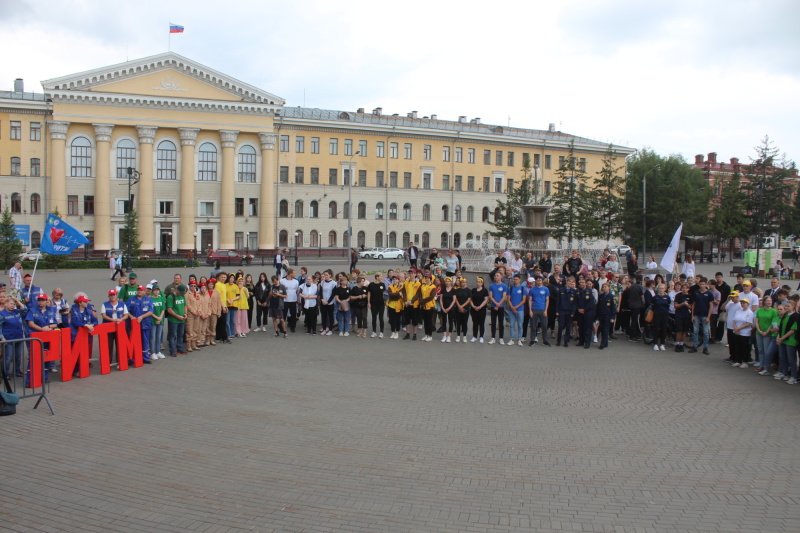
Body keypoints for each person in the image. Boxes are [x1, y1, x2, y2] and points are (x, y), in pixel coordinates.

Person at [100, 289, 129, 367]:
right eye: (111, 295)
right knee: (108, 346)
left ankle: (119, 361)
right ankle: (108, 362)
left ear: (116, 296)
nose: (112, 297)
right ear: (109, 296)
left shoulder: (122, 304)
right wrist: (113, 320)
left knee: (120, 345)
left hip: (119, 328)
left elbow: (126, 314)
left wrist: (121, 319)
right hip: (108, 328)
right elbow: (104, 315)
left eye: (114, 295)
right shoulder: (105, 304)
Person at [0, 295, 27, 377]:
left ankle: (17, 371)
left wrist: (18, 301)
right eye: (11, 304)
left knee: (18, 356)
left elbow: (25, 310)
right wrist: (2, 337)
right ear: (6, 304)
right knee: (8, 357)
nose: (12, 306)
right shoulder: (2, 314)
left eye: (13, 304)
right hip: (8, 339)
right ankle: (6, 374)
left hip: (18, 337)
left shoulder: (16, 312)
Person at [127, 285, 155, 362]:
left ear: (144, 291)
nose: (140, 291)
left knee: (145, 341)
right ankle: (132, 358)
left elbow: (151, 311)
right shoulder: (131, 299)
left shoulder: (149, 300)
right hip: (134, 325)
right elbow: (126, 311)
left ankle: (145, 358)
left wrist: (142, 317)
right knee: (133, 342)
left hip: (145, 324)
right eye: (138, 290)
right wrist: (131, 317)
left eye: (141, 290)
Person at [687, 278, 714, 355]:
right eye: (700, 284)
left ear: (706, 285)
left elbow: (711, 306)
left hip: (705, 315)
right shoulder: (696, 293)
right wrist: (692, 315)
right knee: (695, 331)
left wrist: (709, 316)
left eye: (703, 284)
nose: (701, 286)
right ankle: (694, 346)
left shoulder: (709, 294)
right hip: (696, 314)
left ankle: (705, 347)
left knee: (706, 332)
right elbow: (693, 304)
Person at [754, 296, 779, 373]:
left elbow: (773, 322)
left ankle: (766, 366)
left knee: (766, 350)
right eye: (768, 301)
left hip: (768, 333)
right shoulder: (760, 310)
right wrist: (759, 330)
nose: (769, 302)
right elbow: (757, 321)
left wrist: (766, 331)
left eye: (770, 301)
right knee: (760, 349)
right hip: (759, 332)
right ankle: (761, 365)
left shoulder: (773, 311)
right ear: (764, 302)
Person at [527, 276, 550, 347]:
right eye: (537, 280)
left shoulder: (546, 289)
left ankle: (545, 340)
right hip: (534, 309)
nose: (539, 281)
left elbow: (547, 300)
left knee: (544, 325)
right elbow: (530, 300)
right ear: (535, 281)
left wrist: (546, 310)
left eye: (540, 280)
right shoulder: (532, 290)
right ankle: (532, 339)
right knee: (533, 326)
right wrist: (530, 310)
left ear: (542, 281)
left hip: (543, 309)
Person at [731, 299, 754, 368]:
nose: (743, 304)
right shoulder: (738, 311)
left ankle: (745, 361)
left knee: (745, 347)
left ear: (747, 304)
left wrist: (738, 328)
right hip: (737, 332)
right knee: (737, 346)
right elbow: (734, 320)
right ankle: (738, 360)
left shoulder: (750, 312)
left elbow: (748, 323)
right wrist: (735, 328)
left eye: (744, 303)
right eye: (742, 303)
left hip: (745, 333)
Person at [166, 284, 188, 357]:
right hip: (173, 320)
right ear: (177, 290)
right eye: (181, 292)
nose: (182, 294)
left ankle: (179, 348)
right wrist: (177, 316)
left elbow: (185, 305)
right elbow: (169, 309)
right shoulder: (171, 297)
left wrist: (185, 313)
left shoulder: (182, 296)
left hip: (182, 319)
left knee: (180, 334)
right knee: (172, 335)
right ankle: (172, 351)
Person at [556, 277, 577, 348]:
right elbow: (558, 301)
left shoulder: (573, 291)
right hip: (562, 311)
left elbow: (574, 303)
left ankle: (566, 341)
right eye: (570, 281)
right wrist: (557, 311)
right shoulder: (561, 290)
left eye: (572, 282)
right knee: (561, 326)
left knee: (568, 327)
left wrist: (573, 312)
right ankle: (558, 341)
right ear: (567, 282)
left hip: (569, 312)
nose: (571, 283)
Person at [506, 275, 526, 347]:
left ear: (519, 280)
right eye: (514, 279)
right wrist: (512, 307)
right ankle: (512, 339)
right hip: (511, 310)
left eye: (516, 279)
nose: (515, 280)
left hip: (520, 310)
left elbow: (523, 300)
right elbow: (508, 299)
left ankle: (519, 339)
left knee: (520, 325)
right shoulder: (510, 288)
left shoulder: (523, 289)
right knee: (512, 325)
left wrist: (516, 307)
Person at [488, 272, 506, 345]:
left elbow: (504, 296)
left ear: (501, 277)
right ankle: (493, 338)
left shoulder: (504, 286)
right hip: (493, 307)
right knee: (493, 322)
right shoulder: (491, 286)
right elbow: (490, 297)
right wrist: (496, 304)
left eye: (497, 275)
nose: (496, 277)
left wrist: (498, 305)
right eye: (495, 276)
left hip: (501, 307)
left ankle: (501, 338)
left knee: (501, 323)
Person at [596, 282, 616, 350]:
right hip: (601, 314)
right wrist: (597, 315)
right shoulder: (601, 296)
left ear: (609, 288)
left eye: (605, 287)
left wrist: (612, 317)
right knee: (601, 328)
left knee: (605, 329)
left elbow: (613, 308)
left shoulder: (612, 297)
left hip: (608, 315)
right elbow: (598, 306)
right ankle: (605, 342)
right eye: (603, 287)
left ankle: (603, 343)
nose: (604, 288)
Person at [650, 283, 670, 351]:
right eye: (660, 288)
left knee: (663, 329)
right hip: (657, 314)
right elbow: (652, 305)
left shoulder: (667, 297)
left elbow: (668, 305)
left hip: (664, 315)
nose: (661, 290)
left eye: (662, 288)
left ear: (665, 289)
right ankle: (655, 343)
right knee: (656, 329)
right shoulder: (655, 297)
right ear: (658, 289)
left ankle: (662, 344)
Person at [402, 270, 421, 340]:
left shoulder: (418, 283)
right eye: (410, 273)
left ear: (415, 274)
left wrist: (411, 301)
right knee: (407, 320)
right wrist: (405, 301)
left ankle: (415, 334)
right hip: (407, 304)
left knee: (415, 320)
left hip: (414, 305)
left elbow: (418, 294)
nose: (411, 274)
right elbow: (403, 292)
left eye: (413, 273)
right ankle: (407, 333)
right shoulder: (406, 282)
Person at [469, 277, 489, 343]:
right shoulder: (473, 290)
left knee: (481, 323)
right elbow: (470, 299)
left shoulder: (484, 290)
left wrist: (480, 307)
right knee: (475, 323)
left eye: (479, 282)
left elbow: (486, 299)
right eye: (477, 282)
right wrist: (473, 306)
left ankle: (481, 337)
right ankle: (474, 336)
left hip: (482, 309)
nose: (478, 283)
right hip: (474, 309)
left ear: (482, 283)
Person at [366, 273, 386, 338]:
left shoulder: (382, 284)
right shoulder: (371, 285)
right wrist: (368, 302)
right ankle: (374, 332)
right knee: (374, 318)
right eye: (381, 276)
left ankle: (381, 332)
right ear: (377, 277)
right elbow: (369, 293)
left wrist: (383, 301)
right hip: (373, 303)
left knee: (381, 318)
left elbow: (383, 293)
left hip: (381, 304)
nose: (382, 277)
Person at [281, 269, 299, 333]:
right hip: (285, 300)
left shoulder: (296, 281)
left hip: (293, 299)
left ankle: (293, 326)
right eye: (294, 273)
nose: (295, 274)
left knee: (293, 314)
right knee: (284, 314)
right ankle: (282, 327)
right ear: (290, 274)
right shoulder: (282, 281)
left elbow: (297, 290)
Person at [453, 277, 472, 343]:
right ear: (460, 283)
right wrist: (459, 306)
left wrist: (463, 306)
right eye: (463, 282)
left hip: (465, 308)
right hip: (458, 308)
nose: (464, 283)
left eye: (465, 282)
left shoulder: (468, 290)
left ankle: (464, 336)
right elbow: (455, 299)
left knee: (465, 322)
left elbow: (469, 299)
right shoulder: (457, 290)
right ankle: (458, 336)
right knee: (458, 322)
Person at [318, 271, 337, 336]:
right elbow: (320, 292)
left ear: (330, 275)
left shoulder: (333, 283)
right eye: (324, 275)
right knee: (323, 316)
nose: (325, 276)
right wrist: (322, 299)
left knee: (330, 316)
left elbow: (333, 294)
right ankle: (324, 329)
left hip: (330, 302)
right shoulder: (322, 282)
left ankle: (330, 330)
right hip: (323, 301)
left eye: (327, 275)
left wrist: (328, 301)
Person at [438, 277, 457, 343]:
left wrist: (449, 308)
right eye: (446, 281)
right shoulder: (443, 290)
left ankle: (449, 336)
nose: (447, 282)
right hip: (444, 307)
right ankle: (444, 335)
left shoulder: (453, 290)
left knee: (450, 321)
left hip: (451, 308)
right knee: (444, 321)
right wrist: (442, 307)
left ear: (451, 282)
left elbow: (454, 300)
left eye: (448, 281)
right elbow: (441, 299)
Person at [150, 285, 166, 357]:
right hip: (153, 320)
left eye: (157, 290)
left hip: (160, 320)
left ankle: (158, 351)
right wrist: (156, 318)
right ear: (152, 291)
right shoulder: (150, 299)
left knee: (158, 337)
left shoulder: (161, 298)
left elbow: (163, 309)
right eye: (155, 290)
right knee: (153, 337)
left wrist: (160, 317)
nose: (156, 291)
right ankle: (152, 352)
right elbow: (150, 311)